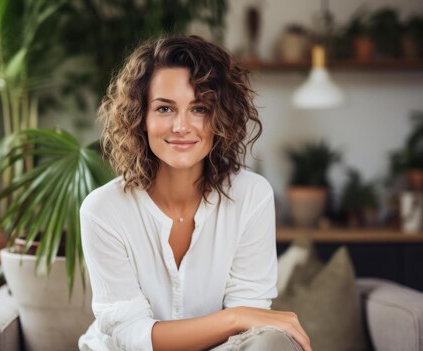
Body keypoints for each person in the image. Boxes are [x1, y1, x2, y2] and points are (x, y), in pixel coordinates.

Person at [79, 35, 312, 351]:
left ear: (220, 117)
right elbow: (131, 337)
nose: (181, 126)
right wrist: (235, 317)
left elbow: (251, 335)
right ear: (141, 118)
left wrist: (243, 320)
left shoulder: (252, 196)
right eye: (164, 108)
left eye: (199, 108)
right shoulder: (103, 210)